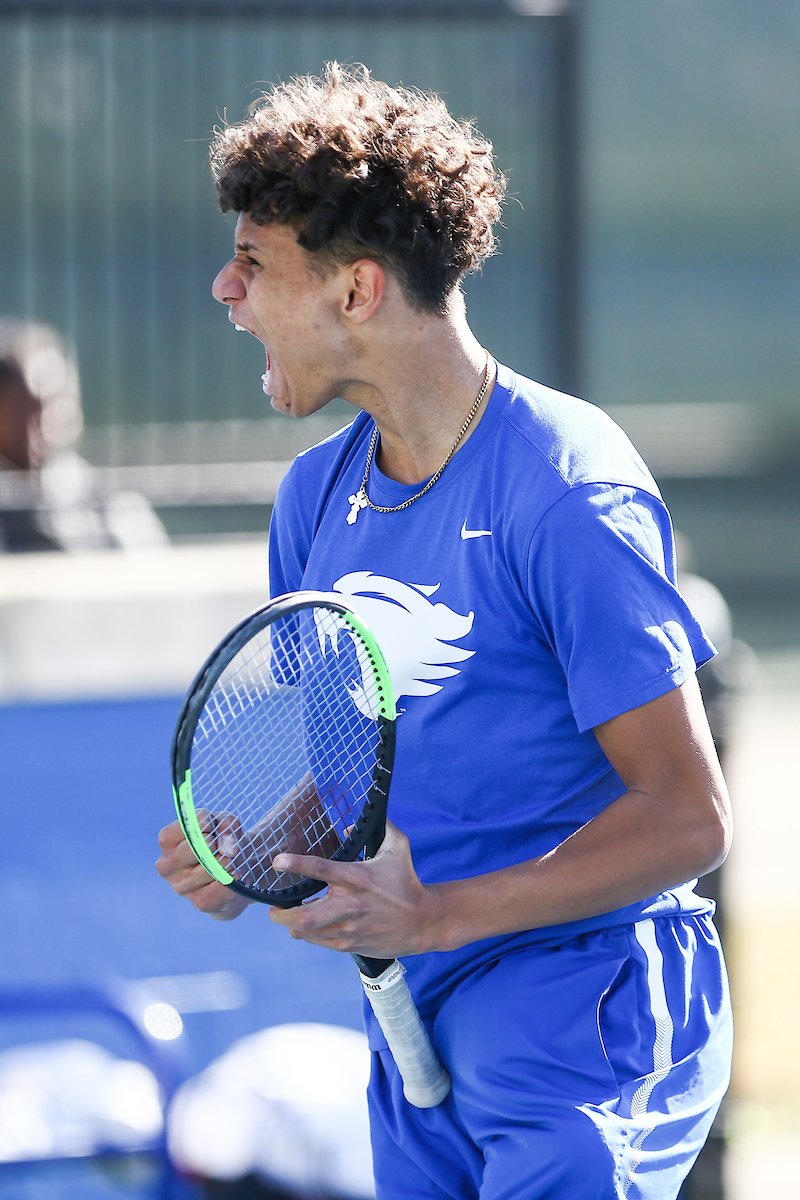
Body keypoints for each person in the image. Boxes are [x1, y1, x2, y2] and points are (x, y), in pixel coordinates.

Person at [157, 64, 733, 1200]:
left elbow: (687, 815)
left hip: (582, 1023)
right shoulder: (314, 499)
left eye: (256, 263)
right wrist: (256, 854)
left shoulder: (566, 491)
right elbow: (344, 773)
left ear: (357, 291)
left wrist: (437, 917)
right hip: (415, 1018)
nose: (225, 290)